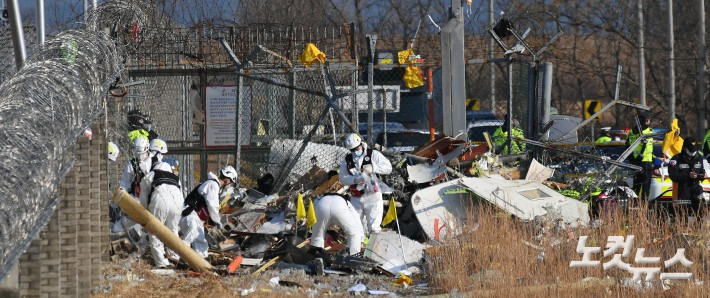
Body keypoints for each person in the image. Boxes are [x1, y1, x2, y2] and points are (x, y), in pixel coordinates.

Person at [139, 139, 183, 268]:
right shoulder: (175, 177)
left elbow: (144, 193)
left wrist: (144, 209)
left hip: (160, 200)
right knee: (173, 231)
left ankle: (161, 263)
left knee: (155, 231)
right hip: (177, 203)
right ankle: (174, 259)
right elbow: (181, 193)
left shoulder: (152, 174)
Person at [339, 133, 392, 235]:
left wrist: (373, 168)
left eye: (356, 148)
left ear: (360, 144)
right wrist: (355, 180)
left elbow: (388, 167)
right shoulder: (348, 160)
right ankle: (359, 249)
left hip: (373, 196)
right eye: (352, 150)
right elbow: (343, 178)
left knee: (374, 228)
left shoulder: (373, 154)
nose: (355, 151)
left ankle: (373, 249)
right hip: (356, 197)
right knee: (356, 228)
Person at [179, 165, 238, 257]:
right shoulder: (213, 185)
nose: (229, 184)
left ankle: (202, 263)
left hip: (196, 218)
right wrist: (218, 222)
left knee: (201, 244)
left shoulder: (213, 185)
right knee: (190, 237)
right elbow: (212, 206)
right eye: (230, 181)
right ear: (227, 179)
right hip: (190, 216)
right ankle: (178, 257)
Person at [311, 174, 365, 256]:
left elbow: (313, 217)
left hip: (321, 203)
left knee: (317, 237)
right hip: (339, 205)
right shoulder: (347, 203)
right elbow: (357, 218)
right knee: (354, 235)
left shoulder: (319, 199)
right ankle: (353, 259)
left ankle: (316, 259)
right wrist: (361, 240)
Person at [669, 137, 706, 217]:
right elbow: (673, 175)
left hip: (696, 190)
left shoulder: (699, 158)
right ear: (684, 148)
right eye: (690, 150)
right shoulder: (676, 159)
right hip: (682, 191)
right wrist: (688, 176)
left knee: (700, 214)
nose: (692, 152)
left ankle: (697, 228)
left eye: (694, 150)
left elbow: (701, 171)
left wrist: (702, 175)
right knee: (682, 216)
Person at [626, 112, 655, 201]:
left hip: (634, 163)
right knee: (645, 189)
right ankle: (643, 208)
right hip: (645, 163)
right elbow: (645, 147)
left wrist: (631, 159)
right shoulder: (648, 132)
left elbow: (626, 146)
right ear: (646, 120)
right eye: (648, 120)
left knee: (636, 187)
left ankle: (633, 205)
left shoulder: (631, 132)